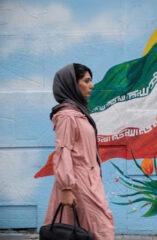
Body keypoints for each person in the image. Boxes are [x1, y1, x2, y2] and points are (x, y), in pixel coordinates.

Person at [44, 63, 115, 239]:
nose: (92, 85)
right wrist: (67, 188)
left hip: (89, 179)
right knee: (101, 228)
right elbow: (63, 151)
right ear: (72, 84)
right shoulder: (67, 116)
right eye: (86, 80)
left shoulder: (78, 112)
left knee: (87, 228)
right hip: (78, 181)